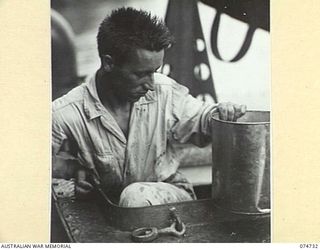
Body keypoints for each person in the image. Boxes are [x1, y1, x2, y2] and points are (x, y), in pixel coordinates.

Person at [52, 7, 246, 207]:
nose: (150, 85)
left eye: (154, 72)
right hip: (107, 208)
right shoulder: (64, 114)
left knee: (134, 197)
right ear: (108, 63)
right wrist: (69, 185)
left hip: (170, 199)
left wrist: (222, 114)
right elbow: (29, 173)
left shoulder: (165, 91)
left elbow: (202, 118)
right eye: (140, 74)